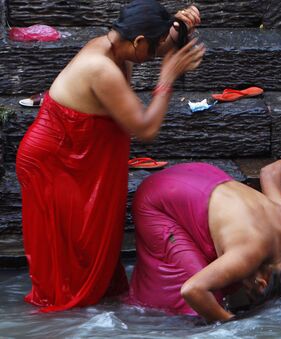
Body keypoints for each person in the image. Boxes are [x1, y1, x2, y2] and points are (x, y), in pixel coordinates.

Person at [15, 0, 204, 312]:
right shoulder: (101, 67)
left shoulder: (117, 44)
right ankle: (60, 324)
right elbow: (145, 129)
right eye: (155, 47)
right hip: (53, 161)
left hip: (76, 156)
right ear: (139, 41)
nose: (159, 53)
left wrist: (180, 26)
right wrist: (167, 79)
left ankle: (84, 315)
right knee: (69, 260)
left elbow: (158, 44)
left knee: (86, 247)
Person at [128, 146, 281, 322]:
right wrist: (232, 325)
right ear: (263, 283)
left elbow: (270, 172)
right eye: (252, 292)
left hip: (200, 174)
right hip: (157, 199)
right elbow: (192, 290)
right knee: (199, 306)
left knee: (224, 285)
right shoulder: (247, 254)